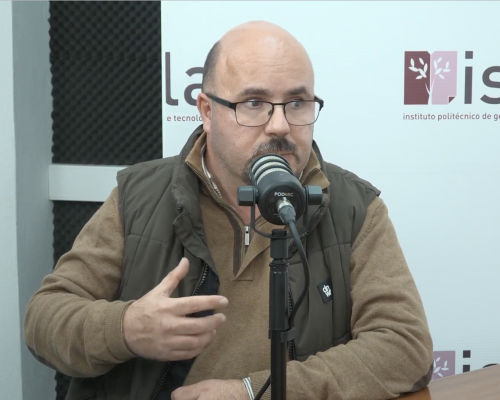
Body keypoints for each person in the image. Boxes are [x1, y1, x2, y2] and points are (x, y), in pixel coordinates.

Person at [25, 21, 433, 400]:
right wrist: (126, 328)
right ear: (207, 110)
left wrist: (252, 392)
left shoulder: (353, 206)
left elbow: (404, 346)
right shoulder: (139, 196)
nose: (280, 125)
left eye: (297, 103)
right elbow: (44, 320)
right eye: (254, 102)